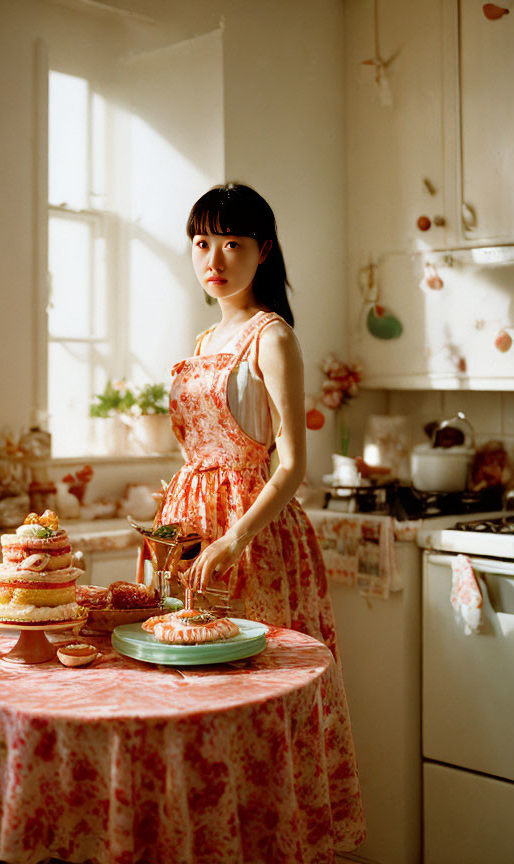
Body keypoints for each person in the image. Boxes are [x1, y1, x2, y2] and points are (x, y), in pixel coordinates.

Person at [154, 182, 366, 852]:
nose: (214, 257)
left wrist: (233, 537)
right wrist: (173, 517)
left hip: (253, 539)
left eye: (232, 243)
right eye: (201, 242)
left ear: (263, 250)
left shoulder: (273, 337)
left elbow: (292, 466)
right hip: (187, 537)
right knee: (190, 701)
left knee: (256, 703)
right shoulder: (204, 336)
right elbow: (198, 452)